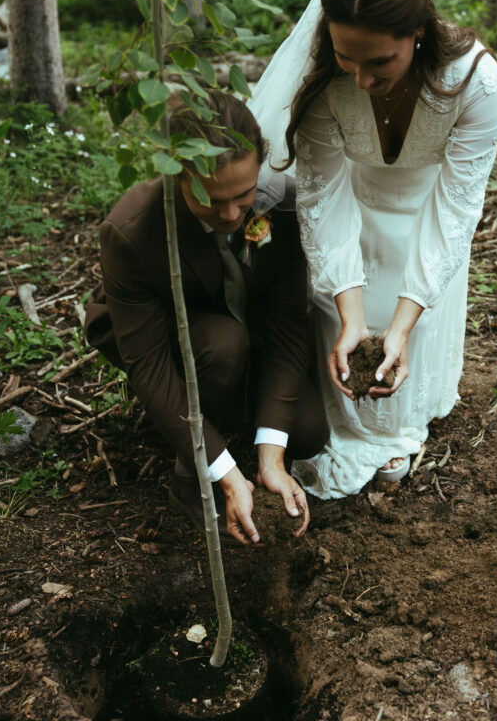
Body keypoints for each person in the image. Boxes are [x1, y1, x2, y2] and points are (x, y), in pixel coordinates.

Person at [247, 0, 497, 499]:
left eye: (380, 61)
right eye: (347, 58)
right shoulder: (322, 87)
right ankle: (344, 416)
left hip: (426, 217)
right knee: (344, 314)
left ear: (418, 31)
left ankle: (403, 415)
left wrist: (404, 322)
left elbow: (456, 206)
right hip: (353, 215)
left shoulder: (475, 83)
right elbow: (324, 198)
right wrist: (350, 313)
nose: (362, 79)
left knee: (403, 322)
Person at [84, 90, 328, 542]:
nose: (233, 214)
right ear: (178, 176)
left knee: (308, 430)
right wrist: (225, 474)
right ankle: (190, 473)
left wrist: (270, 457)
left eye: (244, 195)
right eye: (212, 202)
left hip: (244, 326)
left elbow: (289, 332)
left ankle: (226, 426)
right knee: (222, 346)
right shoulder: (131, 230)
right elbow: (151, 366)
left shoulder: (284, 207)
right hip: (173, 338)